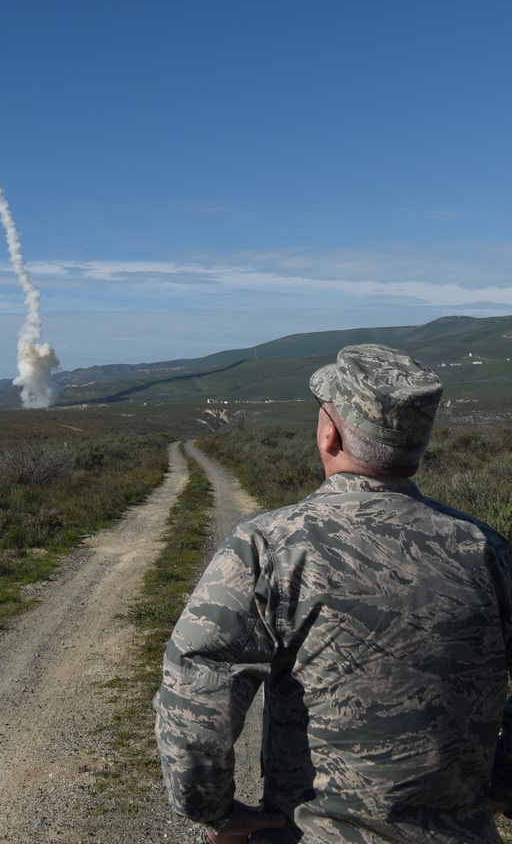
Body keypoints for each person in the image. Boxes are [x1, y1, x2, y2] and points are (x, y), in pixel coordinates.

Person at [154, 343, 512, 844]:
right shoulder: (489, 549)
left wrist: (215, 811)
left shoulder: (269, 546)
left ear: (331, 432)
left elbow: (198, 680)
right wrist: (500, 785)